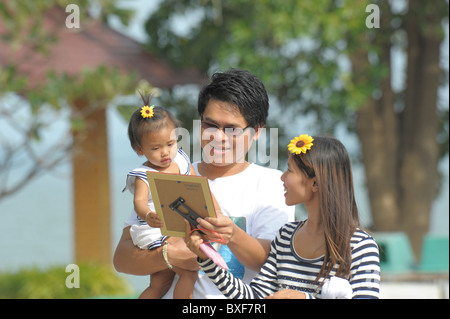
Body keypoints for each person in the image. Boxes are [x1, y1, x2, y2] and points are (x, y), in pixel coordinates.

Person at [113, 69, 295, 298]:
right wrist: (169, 256)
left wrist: (233, 235)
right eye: (210, 125)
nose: (218, 137)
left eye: (231, 129)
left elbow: (275, 264)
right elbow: (121, 259)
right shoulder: (168, 174)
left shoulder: (273, 184)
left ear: (257, 131)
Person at [185, 134, 381, 299]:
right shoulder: (286, 236)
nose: (282, 177)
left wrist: (304, 298)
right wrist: (206, 258)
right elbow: (255, 296)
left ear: (315, 184)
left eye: (290, 170)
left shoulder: (360, 246)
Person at [122, 92, 197, 298]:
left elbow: (195, 184)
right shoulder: (145, 175)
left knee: (160, 283)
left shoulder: (181, 160)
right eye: (156, 148)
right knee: (189, 273)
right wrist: (148, 215)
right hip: (155, 229)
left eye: (170, 144)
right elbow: (138, 202)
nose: (165, 152)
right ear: (139, 149)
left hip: (177, 224)